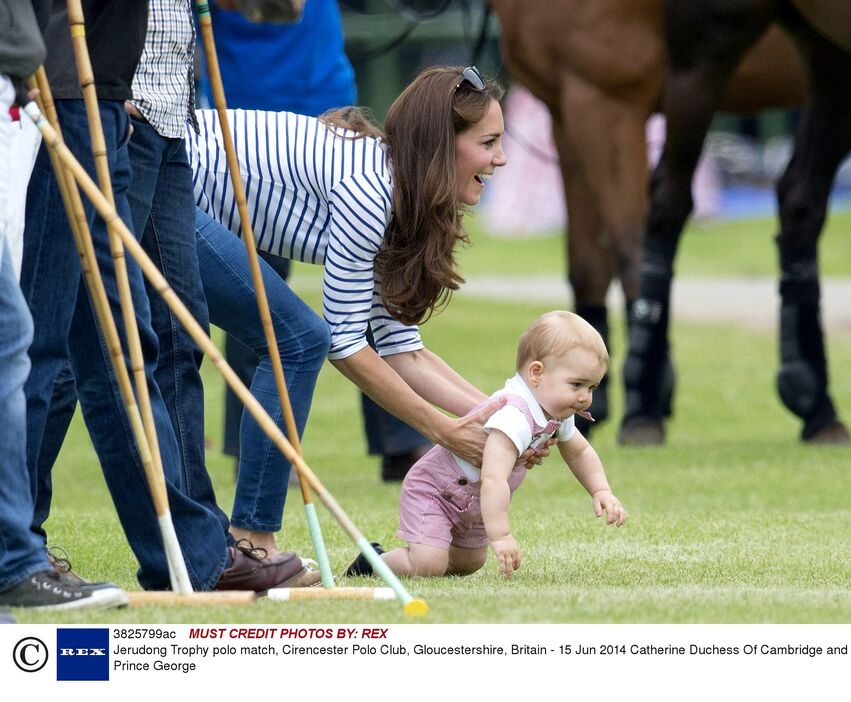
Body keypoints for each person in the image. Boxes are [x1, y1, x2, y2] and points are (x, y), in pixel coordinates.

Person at [187, 65, 551, 554]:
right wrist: (443, 429)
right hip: (166, 184)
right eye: (489, 143)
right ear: (442, 146)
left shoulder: (396, 189)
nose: (501, 159)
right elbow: (345, 344)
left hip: (178, 190)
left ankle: (241, 540)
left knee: (293, 339)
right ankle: (252, 542)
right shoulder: (370, 191)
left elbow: (404, 350)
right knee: (302, 340)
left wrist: (510, 419)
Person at [20, 0, 312, 593]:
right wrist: (105, 89)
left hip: (166, 105)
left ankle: (194, 545)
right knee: (93, 341)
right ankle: (24, 540)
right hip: (104, 99)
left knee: (170, 339)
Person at [203, 0, 431, 482]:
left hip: (326, 103)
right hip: (241, 117)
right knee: (257, 294)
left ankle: (404, 440)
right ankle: (263, 449)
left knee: (376, 273)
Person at [0, 0, 125, 610]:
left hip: (39, 92)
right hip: (52, 92)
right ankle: (15, 555)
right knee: (19, 339)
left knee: (24, 341)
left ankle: (18, 550)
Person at [345, 311, 627, 579]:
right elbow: (493, 479)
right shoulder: (514, 416)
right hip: (437, 491)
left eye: (591, 387)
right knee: (428, 564)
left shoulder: (555, 411)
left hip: (475, 500)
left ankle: (434, 549)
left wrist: (600, 490)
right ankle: (375, 562)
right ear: (536, 374)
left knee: (469, 563)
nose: (584, 398)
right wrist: (502, 535)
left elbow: (579, 451)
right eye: (577, 384)